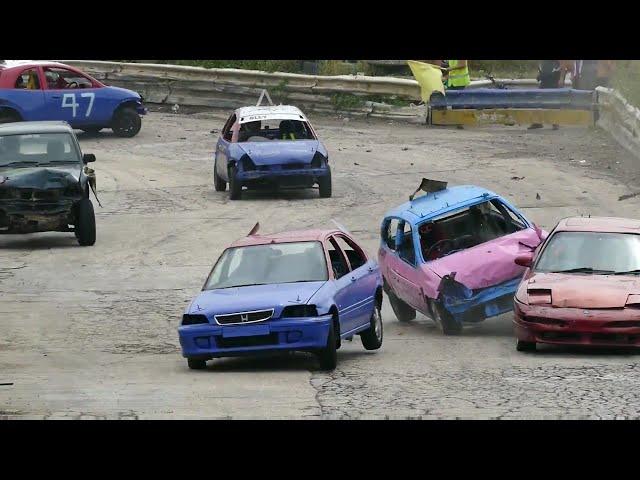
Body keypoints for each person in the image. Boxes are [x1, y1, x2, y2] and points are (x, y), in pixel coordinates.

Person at [529, 60, 565, 130]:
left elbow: (562, 64)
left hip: (554, 78)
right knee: (539, 100)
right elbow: (540, 65)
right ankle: (537, 122)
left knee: (553, 100)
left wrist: (561, 78)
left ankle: (555, 122)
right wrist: (540, 75)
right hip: (545, 78)